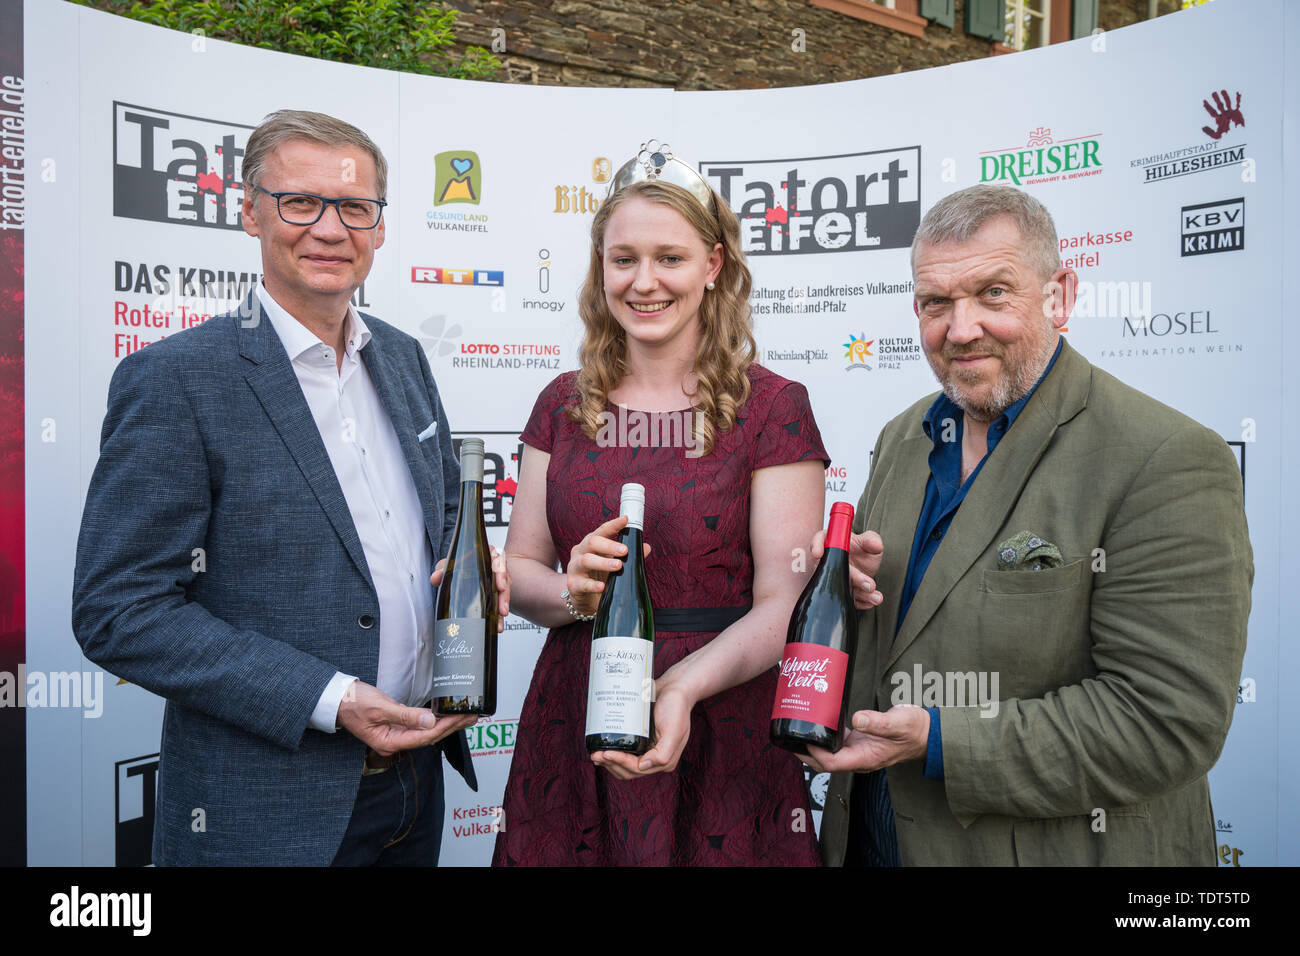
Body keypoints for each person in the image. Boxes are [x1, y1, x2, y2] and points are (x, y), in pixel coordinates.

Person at [72, 110, 507, 866]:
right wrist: (329, 698)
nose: (330, 230)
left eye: (355, 207)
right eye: (300, 203)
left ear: (380, 226)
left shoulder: (403, 358)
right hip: (266, 813)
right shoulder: (178, 379)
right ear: (250, 212)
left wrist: (469, 576)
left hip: (417, 788)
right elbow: (118, 610)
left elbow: (441, 524)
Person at [805, 184, 1253, 866]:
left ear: (1059, 296)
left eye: (993, 293)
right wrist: (843, 582)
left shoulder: (1166, 458)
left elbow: (1166, 722)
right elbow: (905, 636)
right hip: (868, 838)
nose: (961, 329)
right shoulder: (904, 435)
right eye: (937, 302)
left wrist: (940, 739)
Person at [492, 143, 851, 866]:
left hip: (722, 717)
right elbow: (523, 568)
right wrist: (572, 593)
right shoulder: (561, 405)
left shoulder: (773, 408)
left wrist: (680, 688)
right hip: (577, 714)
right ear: (601, 266)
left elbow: (786, 605)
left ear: (713, 264)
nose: (644, 281)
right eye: (623, 259)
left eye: (670, 258)